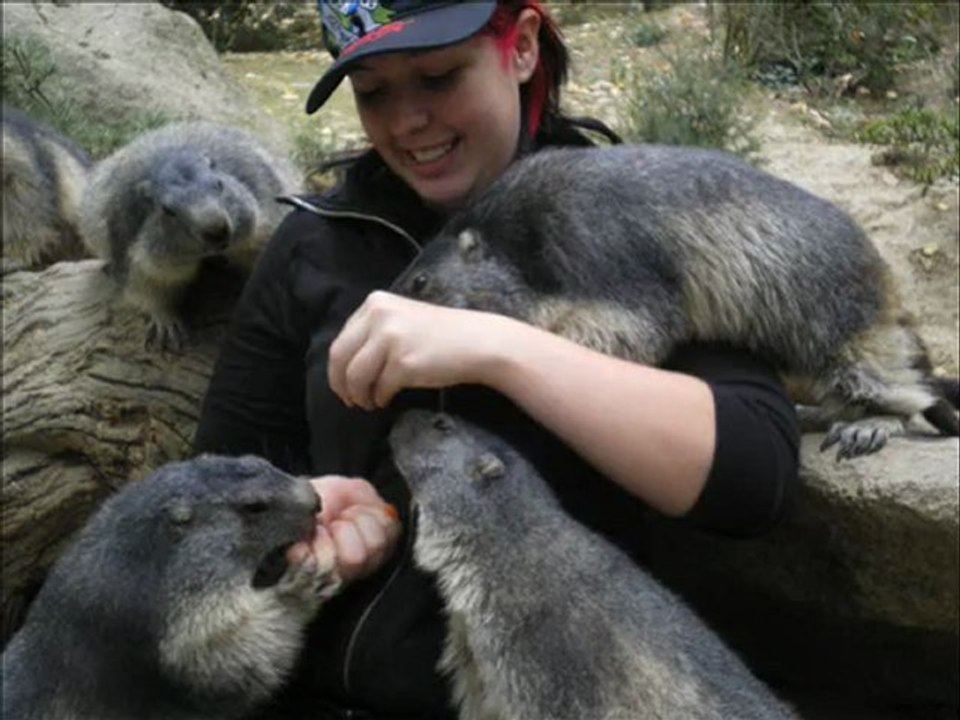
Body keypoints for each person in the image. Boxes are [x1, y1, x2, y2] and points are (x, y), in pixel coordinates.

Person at [193, 1, 801, 718]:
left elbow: (751, 479)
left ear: (522, 48)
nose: (405, 120)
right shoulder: (316, 242)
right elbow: (210, 494)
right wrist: (302, 524)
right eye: (373, 91)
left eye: (438, 76)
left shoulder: (634, 216)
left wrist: (502, 349)